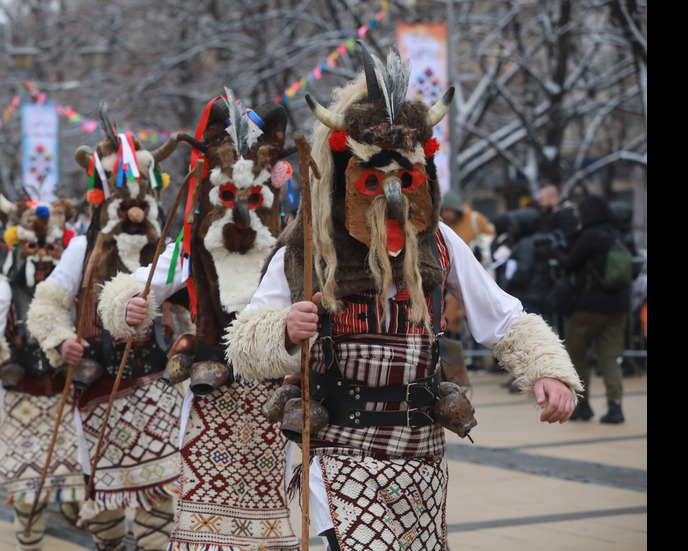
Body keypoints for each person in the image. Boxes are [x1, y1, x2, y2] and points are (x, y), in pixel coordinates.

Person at [224, 42, 582, 551]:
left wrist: (548, 372)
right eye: (373, 179)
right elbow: (243, 340)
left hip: (417, 451)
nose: (390, 195)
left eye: (404, 178)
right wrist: (281, 329)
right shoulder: (309, 246)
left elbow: (503, 319)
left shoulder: (439, 241)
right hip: (331, 446)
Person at [98, 91, 301, 551]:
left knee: (275, 517)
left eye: (251, 197)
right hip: (214, 399)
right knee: (208, 519)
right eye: (229, 196)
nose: (241, 211)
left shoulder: (292, 250)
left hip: (278, 403)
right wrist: (128, 307)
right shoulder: (194, 249)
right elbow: (139, 287)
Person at [26, 119, 187, 551]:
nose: (134, 213)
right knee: (107, 504)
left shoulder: (168, 250)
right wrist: (61, 340)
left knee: (161, 495)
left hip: (159, 385)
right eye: (123, 201)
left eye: (142, 200)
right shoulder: (84, 247)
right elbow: (46, 304)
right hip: (101, 386)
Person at [0, 196, 86, 551]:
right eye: (33, 246)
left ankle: (74, 505)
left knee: (76, 475)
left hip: (68, 397)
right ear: (20, 247)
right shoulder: (5, 289)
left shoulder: (74, 289)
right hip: (24, 399)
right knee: (28, 483)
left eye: (49, 246)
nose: (42, 254)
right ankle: (28, 543)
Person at [557, 193, 629, 424]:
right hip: (618, 307)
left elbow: (570, 262)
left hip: (588, 307)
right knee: (609, 356)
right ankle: (615, 406)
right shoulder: (615, 234)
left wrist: (556, 251)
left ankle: (583, 405)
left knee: (577, 354)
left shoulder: (589, 236)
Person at [440, 190, 497, 375]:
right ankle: (463, 362)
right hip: (452, 276)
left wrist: (479, 250)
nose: (446, 214)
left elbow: (490, 237)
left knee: (474, 317)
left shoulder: (474, 219)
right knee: (452, 318)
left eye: (449, 210)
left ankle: (478, 358)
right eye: (444, 210)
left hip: (474, 273)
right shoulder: (442, 224)